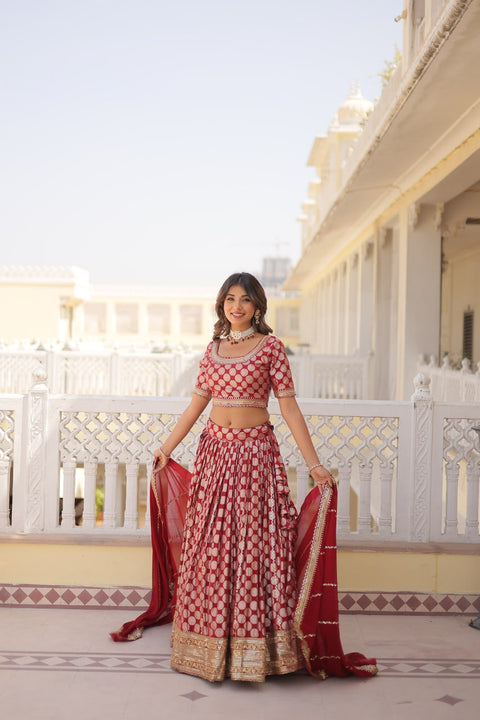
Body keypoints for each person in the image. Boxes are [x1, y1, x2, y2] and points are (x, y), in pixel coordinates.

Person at [111, 272, 377, 683]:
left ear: (257, 306)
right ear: (222, 305)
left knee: (254, 545)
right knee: (211, 545)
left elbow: (289, 409)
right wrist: (166, 447)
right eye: (230, 299)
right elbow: (195, 407)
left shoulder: (271, 348)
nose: (237, 306)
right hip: (215, 456)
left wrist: (314, 464)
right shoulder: (213, 349)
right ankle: (207, 642)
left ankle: (259, 649)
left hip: (255, 458)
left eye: (246, 300)